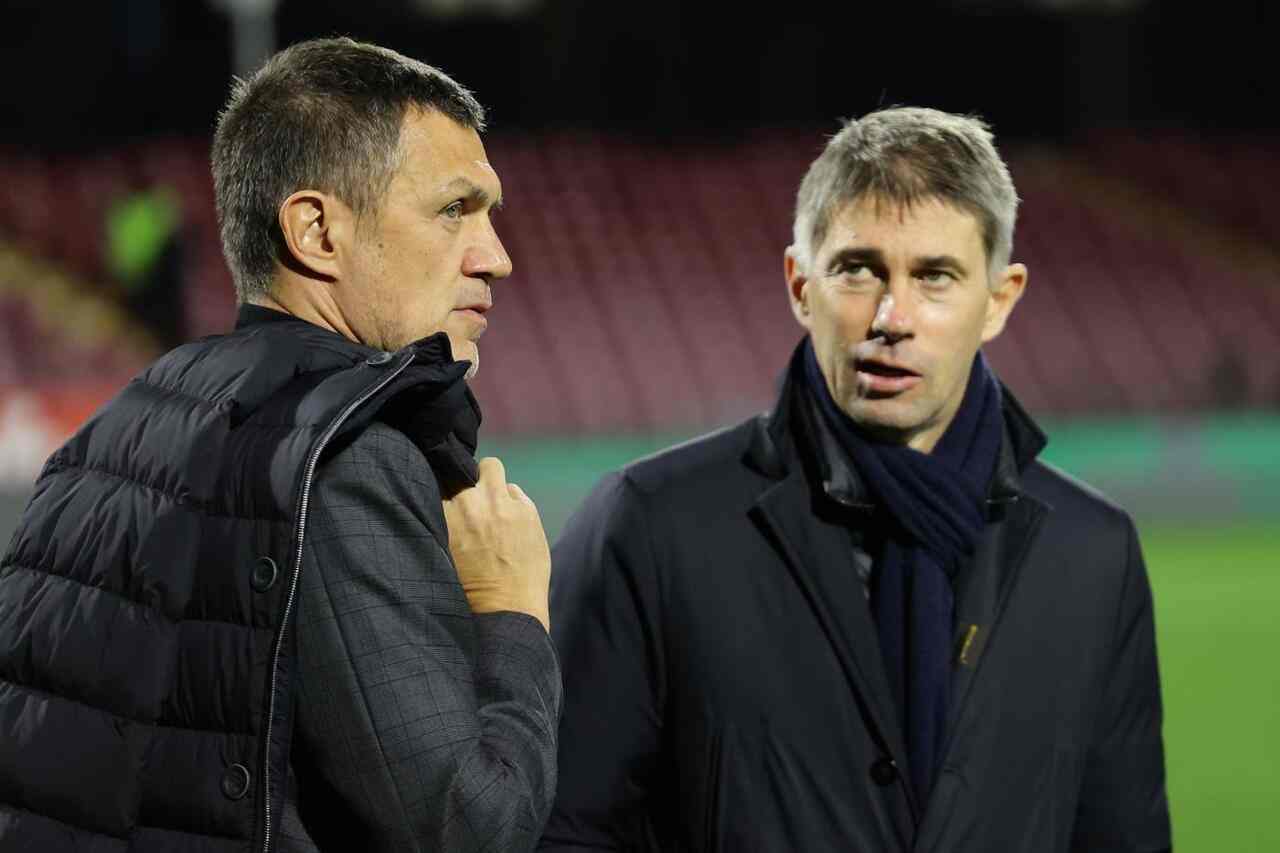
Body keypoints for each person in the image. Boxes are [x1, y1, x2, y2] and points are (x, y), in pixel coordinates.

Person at [542, 107, 1170, 852]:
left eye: (935, 276)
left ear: (999, 300)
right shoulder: (650, 526)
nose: (891, 316)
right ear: (799, 285)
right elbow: (562, 834)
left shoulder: (1094, 554)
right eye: (858, 269)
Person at [0, 38, 560, 853]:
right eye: (454, 210)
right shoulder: (345, 454)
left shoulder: (104, 441)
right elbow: (467, 827)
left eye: (491, 214)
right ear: (316, 231)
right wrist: (513, 609)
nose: (496, 258)